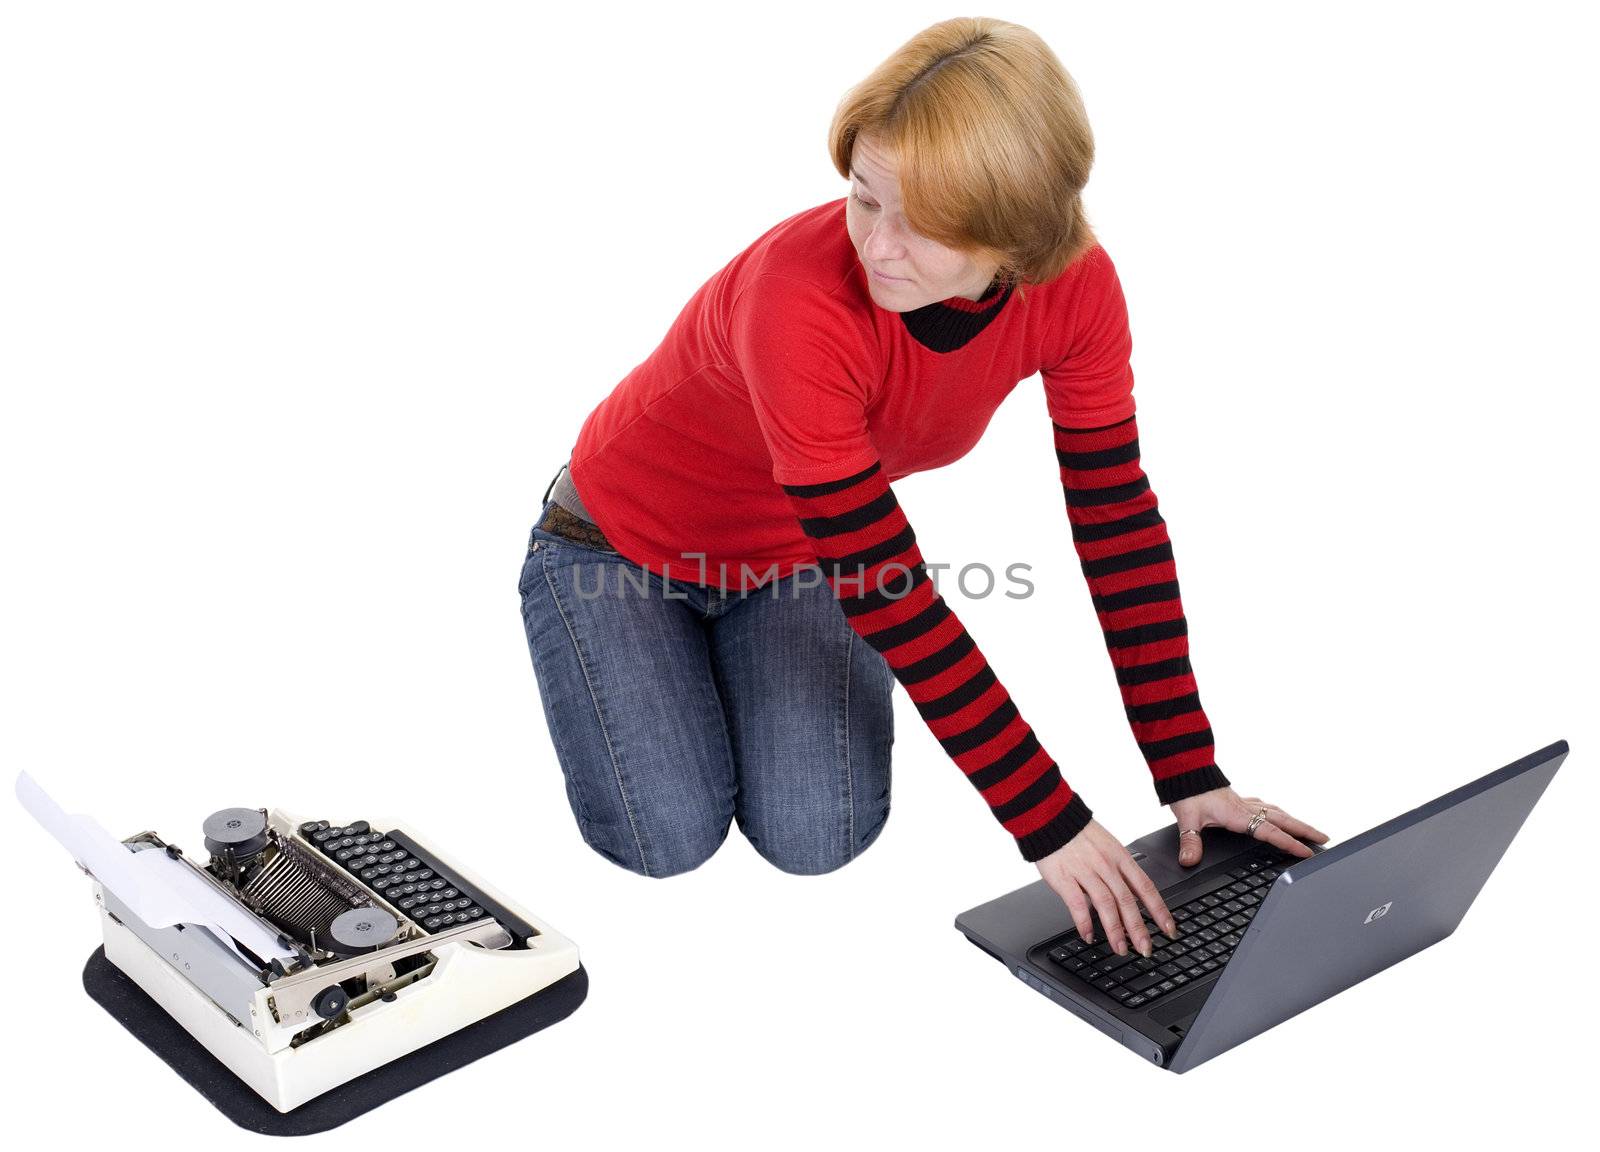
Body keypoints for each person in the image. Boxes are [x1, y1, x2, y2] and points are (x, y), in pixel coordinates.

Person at [517, 16, 1327, 961]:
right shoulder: (798, 299)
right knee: (666, 842)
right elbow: (883, 579)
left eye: (925, 223)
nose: (879, 246)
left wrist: (1187, 765)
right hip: (617, 547)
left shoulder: (1078, 289)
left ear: (1016, 235)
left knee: (821, 838)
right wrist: (1050, 821)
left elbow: (1117, 523)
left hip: (790, 557)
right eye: (865, 198)